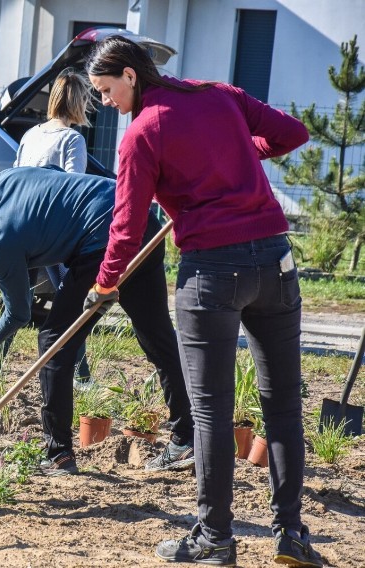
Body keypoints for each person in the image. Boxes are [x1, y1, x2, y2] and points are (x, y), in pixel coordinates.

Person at [86, 36, 319, 567]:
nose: (105, 102)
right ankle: (292, 536)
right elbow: (293, 134)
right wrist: (241, 156)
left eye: (105, 89)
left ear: (128, 74)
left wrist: (104, 284)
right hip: (275, 262)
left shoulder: (142, 133)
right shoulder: (221, 94)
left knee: (210, 410)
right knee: (283, 405)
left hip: (212, 272)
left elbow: (125, 227)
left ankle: (215, 538)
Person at [0, 166, 194, 477]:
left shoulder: (0, 243)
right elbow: (54, 176)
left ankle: (58, 454)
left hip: (105, 241)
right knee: (158, 338)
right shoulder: (7, 179)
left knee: (54, 342)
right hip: (140, 220)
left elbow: (18, 314)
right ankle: (185, 439)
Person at [0, 69, 96, 389]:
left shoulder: (31, 135)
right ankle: (81, 374)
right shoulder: (72, 140)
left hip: (18, 227)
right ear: (78, 102)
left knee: (15, 305)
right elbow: (74, 191)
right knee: (69, 298)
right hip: (52, 233)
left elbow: (17, 177)